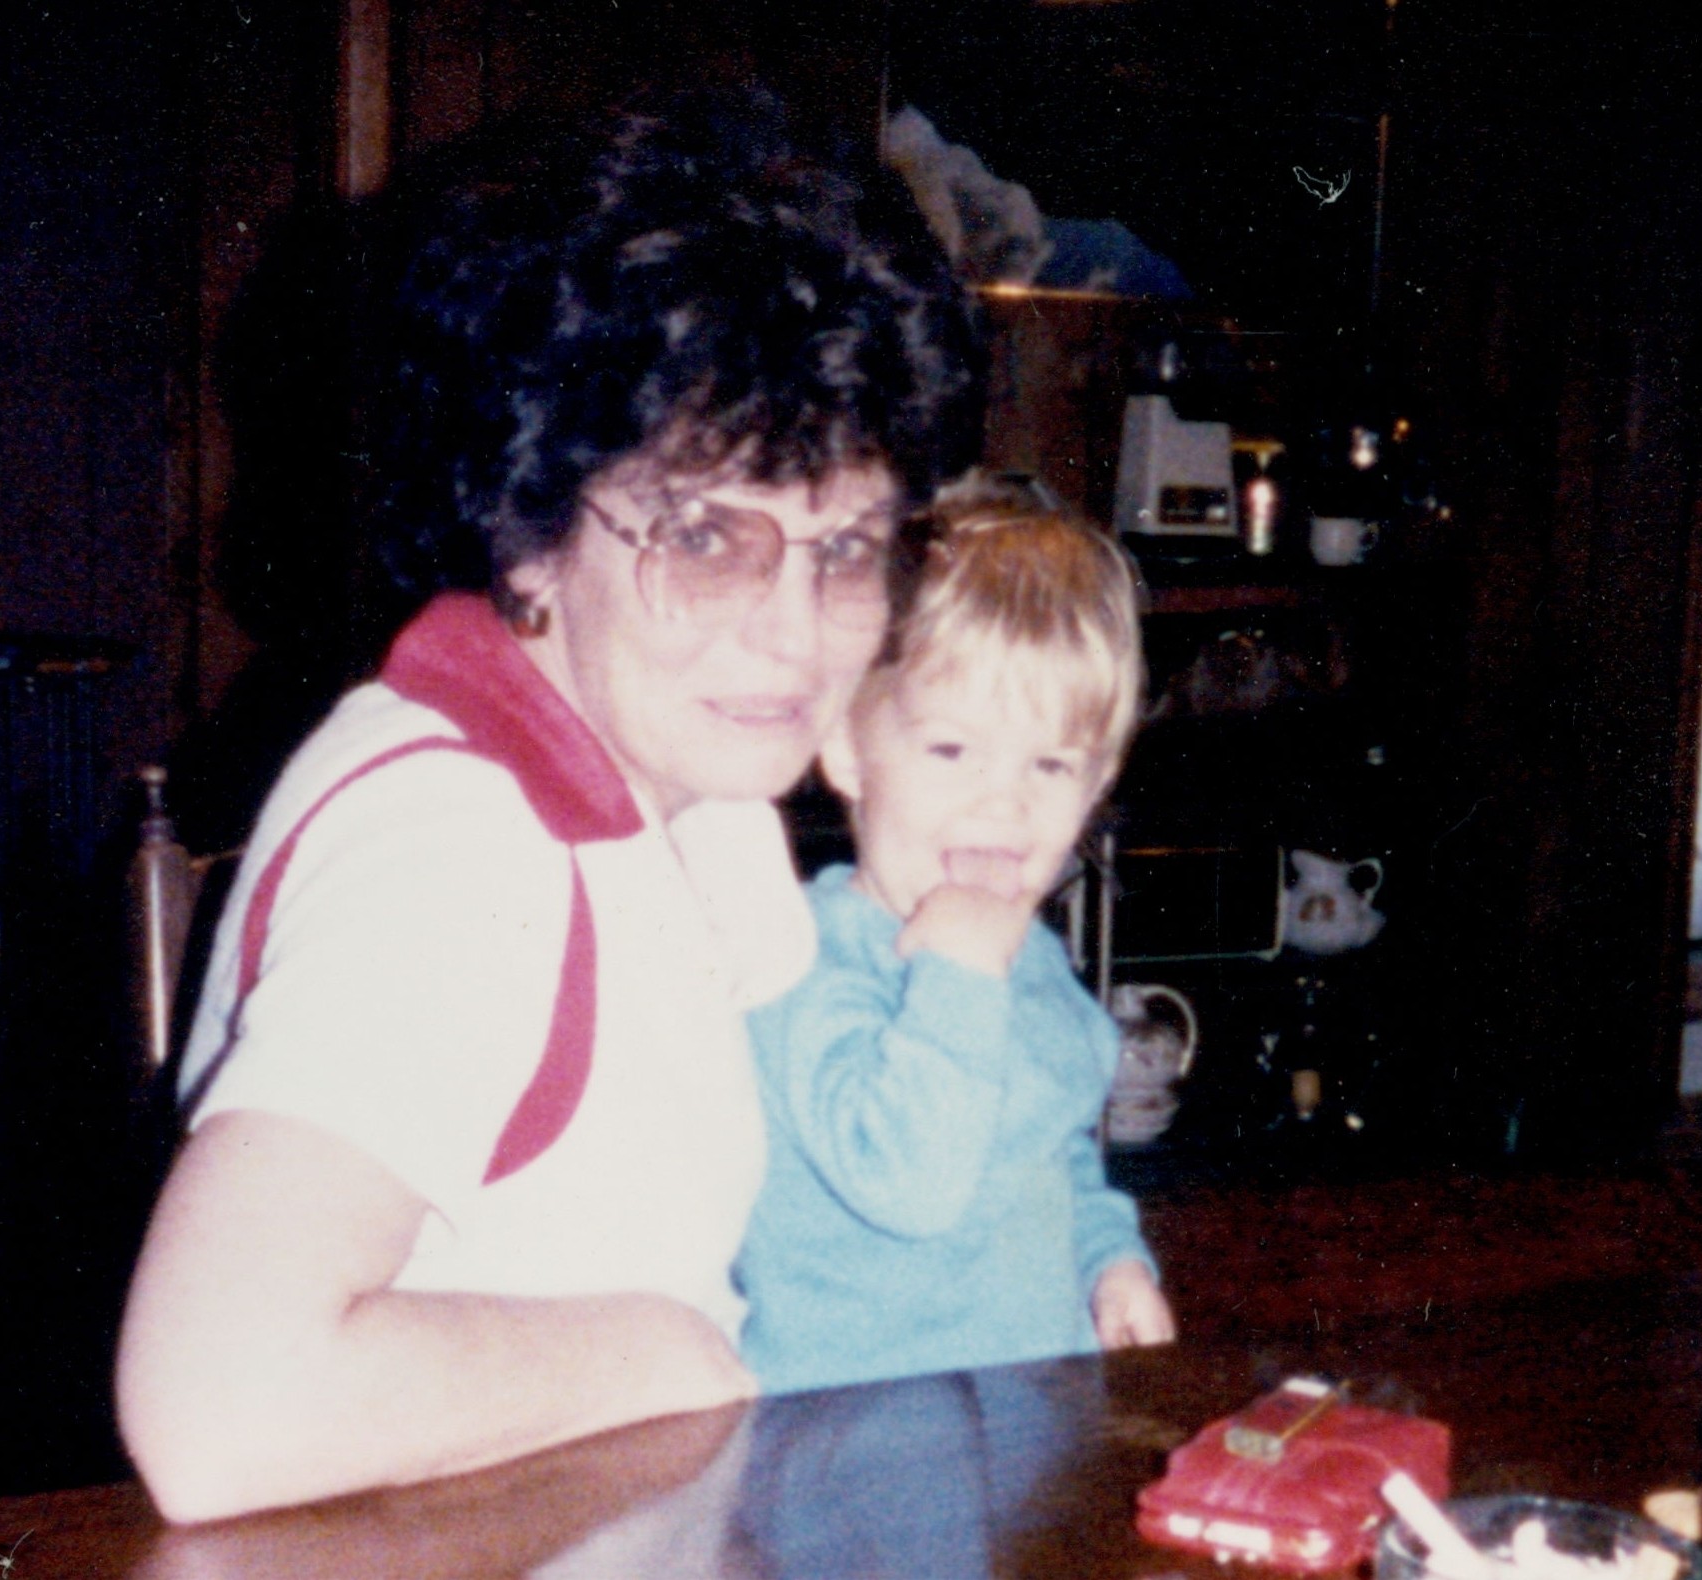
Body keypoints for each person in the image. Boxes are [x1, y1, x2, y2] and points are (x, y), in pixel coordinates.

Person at [113, 86, 982, 1523]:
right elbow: (218, 1406)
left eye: (845, 551)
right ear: (530, 524)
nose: (794, 635)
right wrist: (670, 1356)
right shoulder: (457, 845)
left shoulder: (686, 790)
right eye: (705, 539)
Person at [735, 487, 1176, 1395]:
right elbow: (910, 1185)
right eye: (950, 751)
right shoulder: (797, 961)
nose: (1003, 801)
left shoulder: (1025, 954)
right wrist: (962, 970)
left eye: (1050, 764)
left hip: (1031, 1415)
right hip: (848, 1439)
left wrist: (1107, 1257)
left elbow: (1048, 1143)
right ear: (847, 748)